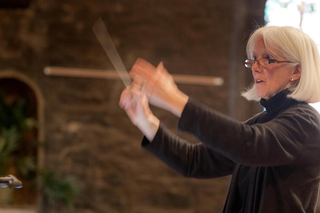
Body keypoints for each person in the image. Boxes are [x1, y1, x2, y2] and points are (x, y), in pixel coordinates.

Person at [119, 25, 320, 213]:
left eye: (267, 58)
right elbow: (193, 161)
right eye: (253, 59)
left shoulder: (306, 123)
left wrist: (174, 99)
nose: (255, 67)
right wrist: (145, 120)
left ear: (297, 70)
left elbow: (249, 145)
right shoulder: (262, 122)